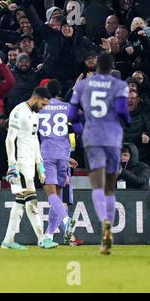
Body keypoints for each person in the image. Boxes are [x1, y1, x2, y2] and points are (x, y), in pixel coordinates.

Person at [68, 53, 131, 255]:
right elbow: (122, 110)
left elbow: (70, 115)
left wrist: (80, 128)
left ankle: (103, 220)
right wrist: (127, 120)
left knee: (97, 184)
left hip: (92, 138)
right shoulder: (119, 85)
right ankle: (108, 228)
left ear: (95, 66)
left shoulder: (83, 85)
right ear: (112, 67)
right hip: (112, 137)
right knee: (110, 188)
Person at [2, 87, 58, 250]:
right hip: (19, 164)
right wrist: (12, 165)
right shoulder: (18, 112)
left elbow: (34, 140)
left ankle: (8, 241)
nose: (43, 108)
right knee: (31, 201)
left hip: (29, 165)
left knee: (20, 202)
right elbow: (9, 140)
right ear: (35, 98)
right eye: (43, 104)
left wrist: (39, 164)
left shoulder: (35, 114)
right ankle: (42, 239)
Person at [38, 79, 78, 244]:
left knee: (51, 194)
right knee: (58, 197)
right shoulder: (67, 107)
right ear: (60, 91)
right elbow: (76, 127)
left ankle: (66, 221)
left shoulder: (40, 108)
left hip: (47, 153)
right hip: (64, 155)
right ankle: (49, 235)